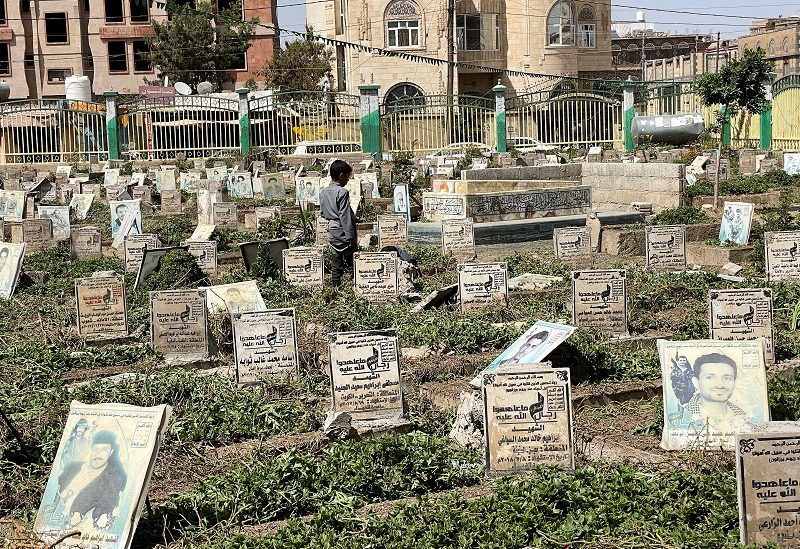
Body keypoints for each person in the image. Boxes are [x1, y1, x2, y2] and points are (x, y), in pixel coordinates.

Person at [56, 430, 127, 527]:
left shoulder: (112, 478)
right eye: (96, 449)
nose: (98, 454)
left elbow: (107, 503)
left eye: (104, 450)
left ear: (111, 452)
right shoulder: (72, 467)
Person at [676, 352, 754, 434]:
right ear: (696, 382)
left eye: (727, 378)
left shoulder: (745, 418)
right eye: (709, 377)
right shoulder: (683, 417)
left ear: (734, 383)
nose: (720, 385)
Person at [319, 160, 357, 287]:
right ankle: (355, 286)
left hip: (331, 231)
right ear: (341, 176)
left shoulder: (323, 192)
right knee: (351, 261)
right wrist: (351, 237)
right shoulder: (342, 192)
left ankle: (336, 288)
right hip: (343, 230)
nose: (347, 180)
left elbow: (323, 213)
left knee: (336, 263)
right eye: (347, 176)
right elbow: (345, 216)